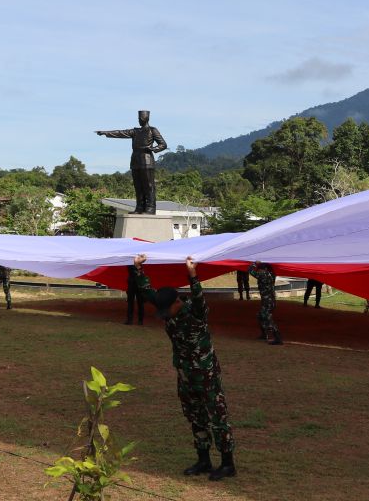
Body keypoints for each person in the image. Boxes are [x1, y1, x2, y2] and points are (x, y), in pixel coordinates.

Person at [132, 253, 236, 481]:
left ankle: (228, 464)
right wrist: (138, 269)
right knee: (195, 416)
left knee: (217, 417)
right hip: (185, 374)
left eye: (166, 311)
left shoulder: (196, 314)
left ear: (177, 303)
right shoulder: (169, 310)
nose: (164, 316)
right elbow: (148, 292)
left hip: (206, 374)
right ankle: (203, 459)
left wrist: (192, 274)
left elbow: (199, 298)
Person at [95, 110, 168, 214]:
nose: (139, 121)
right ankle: (139, 207)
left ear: (146, 119)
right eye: (138, 119)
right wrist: (105, 133)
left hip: (147, 161)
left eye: (140, 119)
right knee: (138, 186)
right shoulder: (135, 131)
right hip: (135, 161)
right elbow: (121, 133)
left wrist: (153, 149)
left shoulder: (152, 130)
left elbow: (163, 144)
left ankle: (150, 208)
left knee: (148, 186)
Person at [248, 261, 282, 345]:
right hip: (270, 301)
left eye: (259, 270)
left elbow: (250, 270)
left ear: (263, 270)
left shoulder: (263, 275)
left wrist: (254, 263)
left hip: (268, 301)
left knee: (267, 318)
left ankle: (278, 338)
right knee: (260, 315)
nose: (258, 271)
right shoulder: (271, 274)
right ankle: (264, 334)